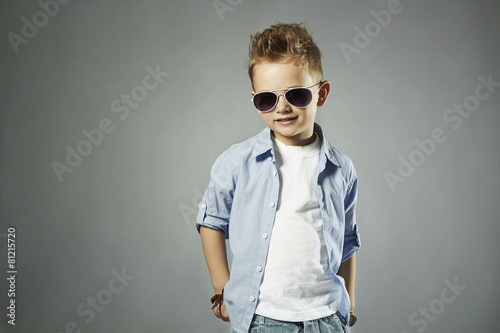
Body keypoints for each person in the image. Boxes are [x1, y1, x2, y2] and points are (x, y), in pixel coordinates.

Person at [196, 22, 360, 333]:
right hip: (263, 319)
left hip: (327, 319)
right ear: (255, 100)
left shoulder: (341, 168)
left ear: (321, 94)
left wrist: (349, 304)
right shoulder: (237, 162)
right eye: (267, 99)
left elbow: (348, 241)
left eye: (296, 94)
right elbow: (211, 220)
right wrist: (223, 291)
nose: (281, 107)